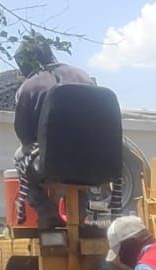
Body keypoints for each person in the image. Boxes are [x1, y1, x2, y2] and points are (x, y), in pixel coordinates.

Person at [13, 34, 96, 230]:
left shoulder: (29, 87)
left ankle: (48, 213)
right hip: (94, 162)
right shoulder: (84, 77)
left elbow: (24, 135)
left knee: (19, 156)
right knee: (80, 169)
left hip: (52, 163)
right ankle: (80, 213)